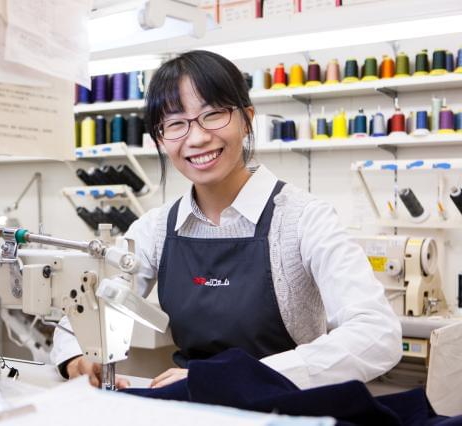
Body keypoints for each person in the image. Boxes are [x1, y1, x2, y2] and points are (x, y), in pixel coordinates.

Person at [51, 50, 401, 390]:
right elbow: (82, 316)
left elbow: (377, 333)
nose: (198, 137)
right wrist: (77, 360)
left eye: (213, 114)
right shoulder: (155, 229)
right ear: (161, 138)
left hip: (286, 411)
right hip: (194, 410)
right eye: (176, 124)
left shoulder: (304, 219)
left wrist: (234, 377)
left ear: (247, 119)